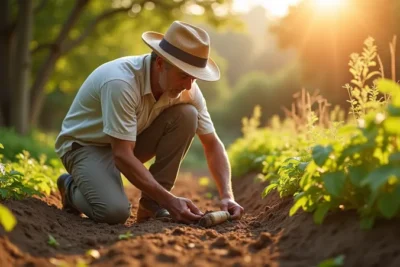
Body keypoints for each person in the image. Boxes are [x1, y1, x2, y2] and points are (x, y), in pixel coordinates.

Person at [55, 20, 244, 225]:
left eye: (194, 78)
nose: (189, 85)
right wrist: (170, 201)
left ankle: (151, 205)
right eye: (183, 76)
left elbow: (212, 144)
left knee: (188, 115)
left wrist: (227, 195)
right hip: (85, 147)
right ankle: (70, 188)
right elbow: (121, 155)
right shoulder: (121, 83)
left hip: (126, 145)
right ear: (161, 63)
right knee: (113, 212)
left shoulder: (187, 89)